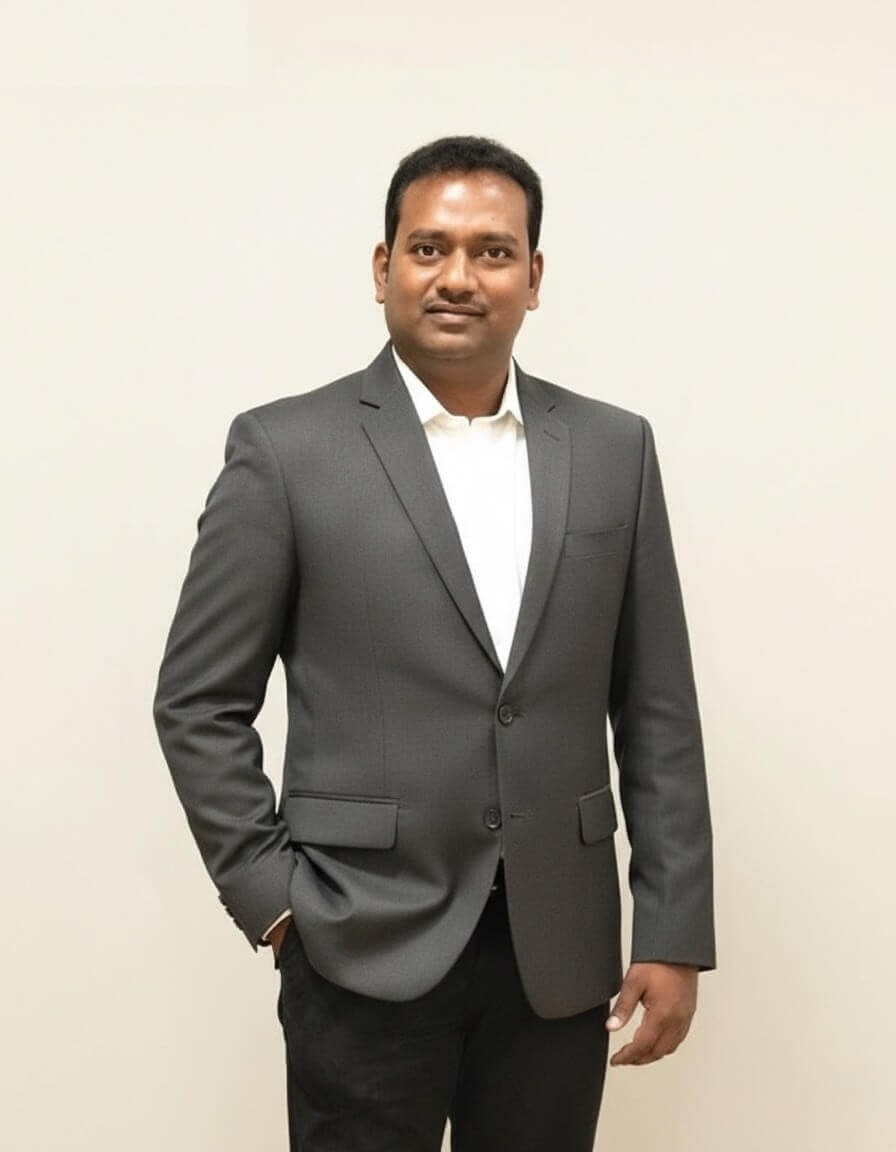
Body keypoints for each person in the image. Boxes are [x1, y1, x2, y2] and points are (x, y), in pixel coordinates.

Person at [152, 134, 716, 1151]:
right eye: (429, 248)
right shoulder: (286, 451)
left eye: (492, 252)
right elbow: (197, 701)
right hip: (357, 942)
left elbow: (657, 709)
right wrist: (276, 904)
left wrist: (672, 931)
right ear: (384, 268)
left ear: (533, 277)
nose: (459, 276)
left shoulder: (613, 450)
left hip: (558, 952)